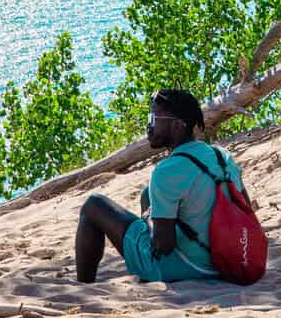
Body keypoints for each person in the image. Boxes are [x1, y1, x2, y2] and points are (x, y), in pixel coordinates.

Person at [74, 88, 250, 284]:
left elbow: (163, 245)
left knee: (93, 204)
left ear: (176, 125)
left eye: (153, 120)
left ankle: (83, 284)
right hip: (227, 263)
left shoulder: (166, 171)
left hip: (190, 269)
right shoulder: (222, 156)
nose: (149, 128)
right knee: (147, 194)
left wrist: (148, 220)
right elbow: (246, 209)